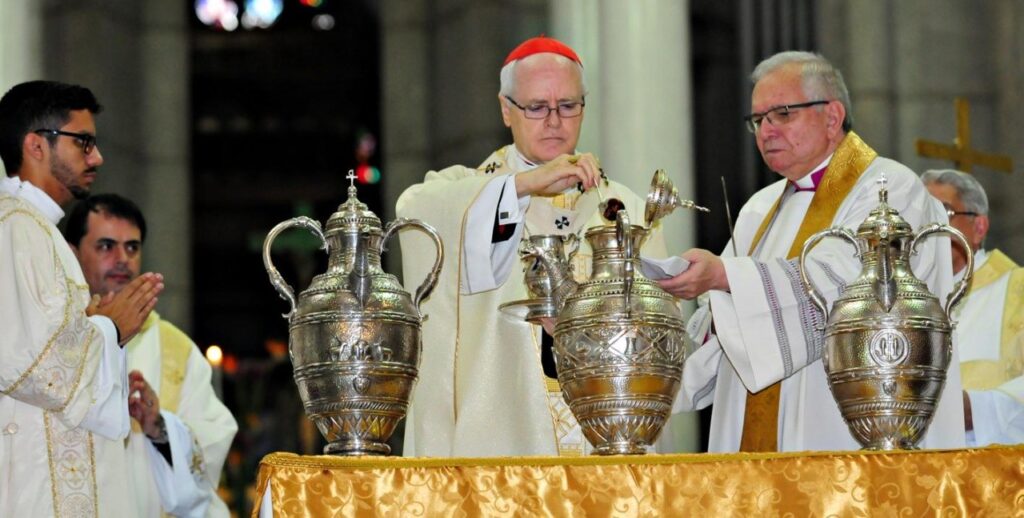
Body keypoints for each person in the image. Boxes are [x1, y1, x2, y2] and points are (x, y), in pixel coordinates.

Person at [658, 51, 965, 452]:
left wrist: (724, 277)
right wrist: (657, 361)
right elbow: (723, 328)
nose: (766, 131)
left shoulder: (889, 188)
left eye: (782, 114)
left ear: (832, 116)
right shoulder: (759, 208)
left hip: (846, 430)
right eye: (758, 120)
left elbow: (844, 287)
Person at [396, 36, 668, 457]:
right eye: (537, 107)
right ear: (506, 109)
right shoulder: (468, 190)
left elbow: (654, 334)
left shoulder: (625, 207)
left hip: (606, 430)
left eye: (568, 106)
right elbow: (414, 211)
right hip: (500, 430)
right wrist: (521, 187)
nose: (554, 121)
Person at [0, 80, 163, 516]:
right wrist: (110, 328)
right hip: (32, 481)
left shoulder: (37, 231)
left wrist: (98, 326)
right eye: (84, 143)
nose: (97, 157)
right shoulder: (16, 229)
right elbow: (29, 366)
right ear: (36, 145)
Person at [64, 193, 239, 516]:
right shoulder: (59, 340)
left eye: (132, 247)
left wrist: (159, 427)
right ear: (72, 253)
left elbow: (212, 443)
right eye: (106, 246)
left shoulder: (178, 351)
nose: (122, 259)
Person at [922, 168, 1024, 446]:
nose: (928, 227)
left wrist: (976, 409)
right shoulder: (904, 302)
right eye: (920, 215)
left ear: (979, 227)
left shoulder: (1017, 289)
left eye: (942, 213)